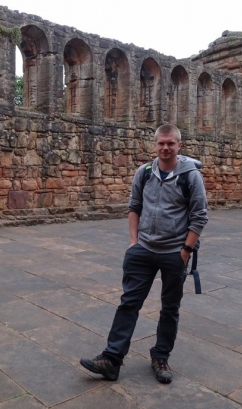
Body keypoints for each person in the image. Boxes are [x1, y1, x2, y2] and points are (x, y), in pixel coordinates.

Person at [80, 124, 208, 384]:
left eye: (170, 143)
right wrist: (133, 241)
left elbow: (199, 217)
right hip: (143, 250)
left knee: (170, 308)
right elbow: (134, 206)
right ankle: (112, 359)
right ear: (155, 144)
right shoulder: (145, 172)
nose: (165, 147)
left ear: (179, 145)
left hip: (174, 252)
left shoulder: (190, 176)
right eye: (161, 143)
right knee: (129, 303)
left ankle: (160, 356)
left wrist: (184, 252)